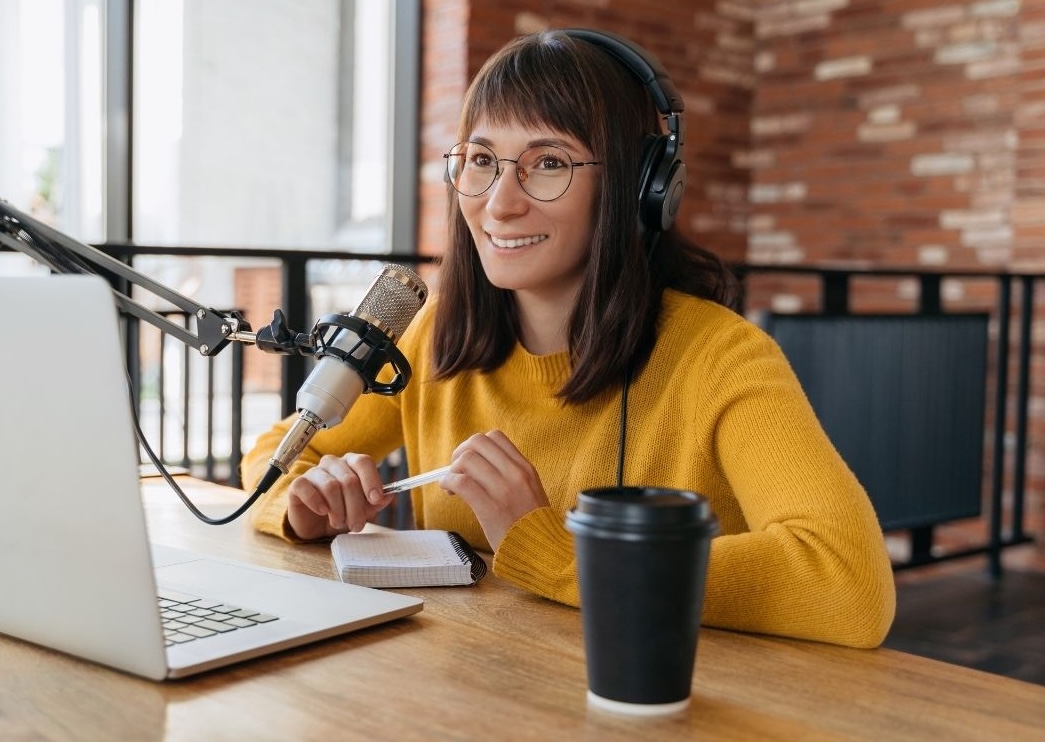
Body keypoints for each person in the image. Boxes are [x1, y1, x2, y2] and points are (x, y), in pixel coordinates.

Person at [241, 28, 896, 649]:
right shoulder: (431, 333)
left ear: (640, 189)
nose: (499, 203)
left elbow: (844, 582)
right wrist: (305, 509)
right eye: (481, 161)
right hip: (473, 689)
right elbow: (274, 457)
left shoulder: (720, 357)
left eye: (547, 162)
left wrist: (552, 551)